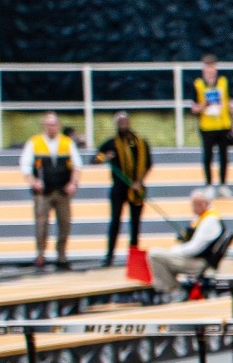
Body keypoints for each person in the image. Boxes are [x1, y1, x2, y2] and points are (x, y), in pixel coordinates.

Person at [90, 112, 151, 266]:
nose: (123, 124)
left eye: (125, 121)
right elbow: (94, 159)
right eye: (120, 122)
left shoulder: (140, 142)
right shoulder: (112, 143)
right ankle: (110, 255)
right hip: (118, 188)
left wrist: (139, 181)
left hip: (136, 188)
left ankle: (134, 256)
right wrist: (105, 157)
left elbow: (148, 163)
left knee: (135, 223)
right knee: (115, 221)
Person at [19, 113, 78, 270]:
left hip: (62, 191)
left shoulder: (67, 143)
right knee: (41, 224)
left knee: (65, 223)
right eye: (48, 124)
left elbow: (77, 166)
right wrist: (33, 181)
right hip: (43, 192)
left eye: (54, 124)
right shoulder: (35, 143)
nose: (51, 127)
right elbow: (25, 165)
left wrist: (73, 183)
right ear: (43, 126)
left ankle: (62, 256)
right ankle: (41, 255)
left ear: (58, 126)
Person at [146, 189, 226, 295]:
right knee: (162, 256)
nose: (192, 208)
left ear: (203, 204)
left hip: (198, 263)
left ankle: (173, 290)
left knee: (154, 255)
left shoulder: (209, 221)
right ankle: (172, 287)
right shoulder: (203, 218)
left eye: (194, 205)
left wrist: (174, 251)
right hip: (197, 259)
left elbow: (195, 248)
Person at [188, 55, 233, 196]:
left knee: (224, 156)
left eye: (213, 67)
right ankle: (208, 185)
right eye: (208, 67)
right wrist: (205, 104)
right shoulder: (198, 84)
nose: (210, 70)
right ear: (203, 69)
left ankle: (223, 185)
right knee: (208, 156)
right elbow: (193, 108)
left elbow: (229, 102)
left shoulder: (223, 82)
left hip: (223, 124)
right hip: (207, 126)